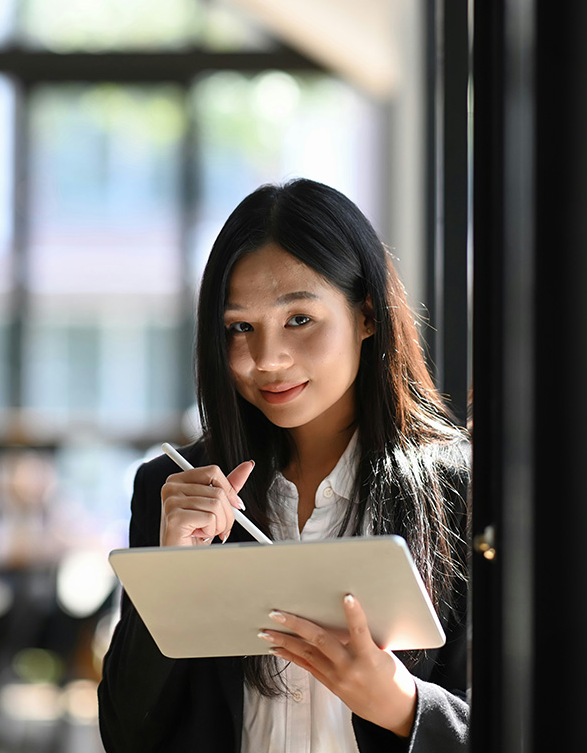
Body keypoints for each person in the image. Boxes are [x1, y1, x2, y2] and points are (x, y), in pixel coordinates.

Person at [98, 179, 470, 753]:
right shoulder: (175, 492)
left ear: (367, 315)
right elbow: (127, 734)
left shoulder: (461, 495)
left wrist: (404, 707)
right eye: (240, 327)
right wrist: (174, 577)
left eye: (299, 319)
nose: (266, 359)